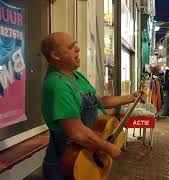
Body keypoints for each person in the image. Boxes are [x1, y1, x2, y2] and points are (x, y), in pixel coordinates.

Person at [40, 32, 146, 180]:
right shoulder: (58, 85)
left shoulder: (76, 76)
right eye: (71, 47)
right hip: (67, 164)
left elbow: (100, 101)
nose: (77, 49)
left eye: (75, 44)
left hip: (87, 155)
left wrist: (131, 97)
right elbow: (78, 133)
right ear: (56, 55)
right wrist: (109, 148)